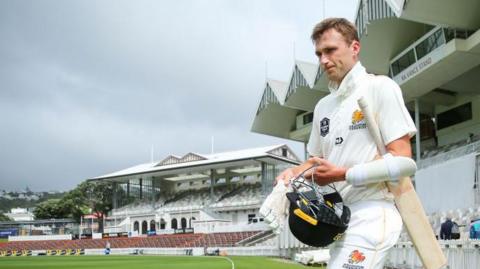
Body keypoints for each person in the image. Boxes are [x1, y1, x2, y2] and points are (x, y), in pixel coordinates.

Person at [276, 18, 416, 269]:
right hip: (339, 219)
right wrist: (293, 173)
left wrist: (343, 174)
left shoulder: (380, 88)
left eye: (330, 50)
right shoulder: (323, 107)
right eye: (319, 53)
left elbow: (404, 160)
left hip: (374, 213)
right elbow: (315, 162)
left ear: (355, 47)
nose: (323, 60)